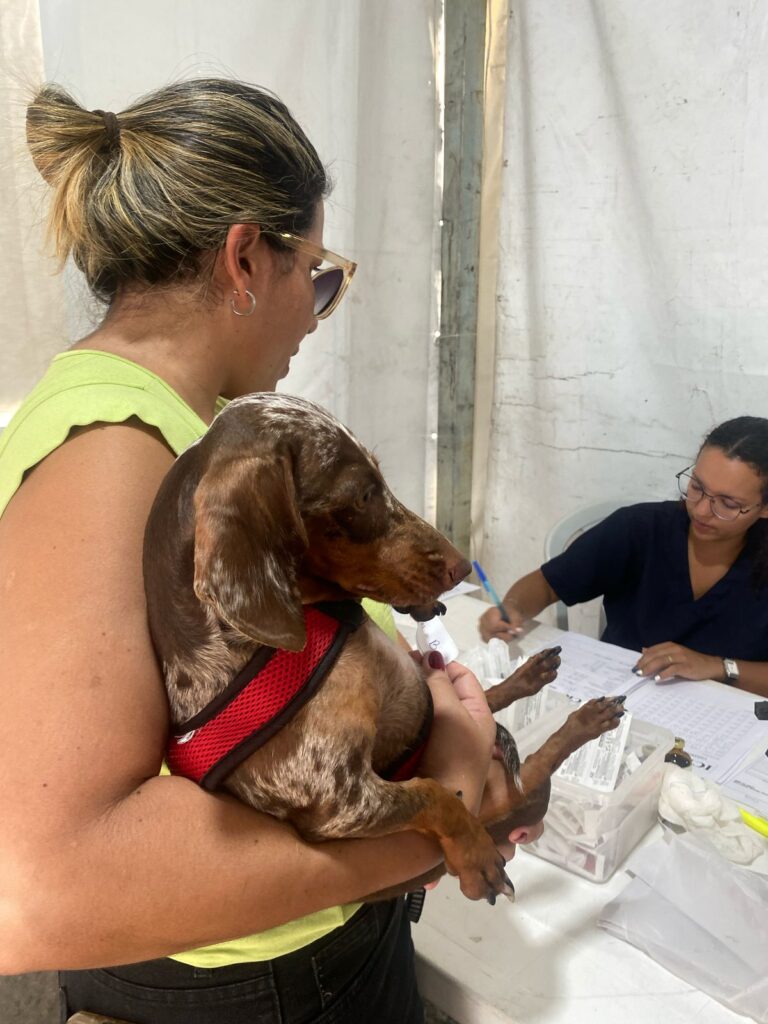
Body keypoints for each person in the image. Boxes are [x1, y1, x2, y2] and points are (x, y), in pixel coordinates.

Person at [0, 80, 539, 1024]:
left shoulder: (193, 430)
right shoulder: (113, 456)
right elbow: (44, 883)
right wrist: (441, 811)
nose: (313, 316)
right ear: (248, 258)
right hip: (257, 985)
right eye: (317, 278)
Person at [479, 417, 768, 699]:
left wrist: (718, 667)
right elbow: (547, 584)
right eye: (697, 487)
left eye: (728, 504)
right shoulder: (641, 529)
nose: (702, 510)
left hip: (728, 712)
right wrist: (512, 608)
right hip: (617, 696)